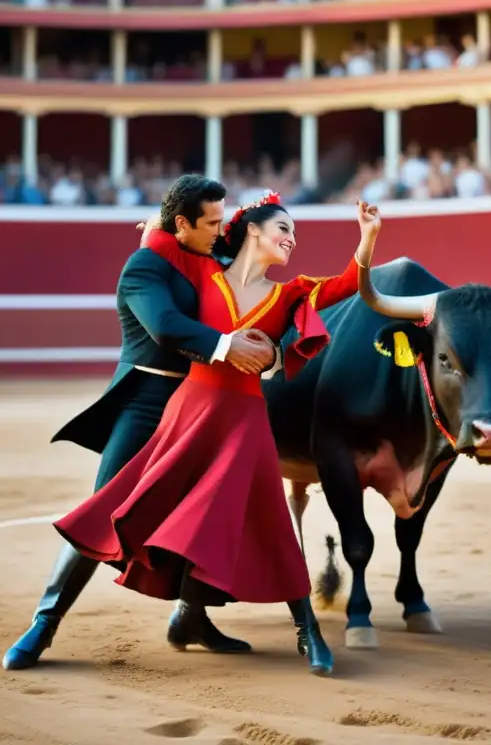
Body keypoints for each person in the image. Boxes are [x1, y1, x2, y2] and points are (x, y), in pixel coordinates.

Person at [53, 193, 383, 677]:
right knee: (144, 501)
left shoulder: (289, 292)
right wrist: (157, 225)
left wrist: (369, 236)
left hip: (247, 415)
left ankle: (307, 631)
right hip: (191, 408)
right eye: (284, 230)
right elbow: (169, 242)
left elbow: (345, 284)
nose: (291, 241)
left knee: (269, 518)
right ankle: (67, 620)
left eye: (294, 235)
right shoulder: (202, 274)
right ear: (253, 230)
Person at [2, 175, 281, 671]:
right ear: (183, 224)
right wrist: (227, 346)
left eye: (221, 220)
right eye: (211, 222)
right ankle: (44, 624)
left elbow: (249, 255)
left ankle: (191, 618)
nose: (220, 231)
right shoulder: (143, 267)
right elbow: (167, 327)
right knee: (103, 513)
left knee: (207, 514)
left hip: (202, 403)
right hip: (148, 401)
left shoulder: (207, 257)